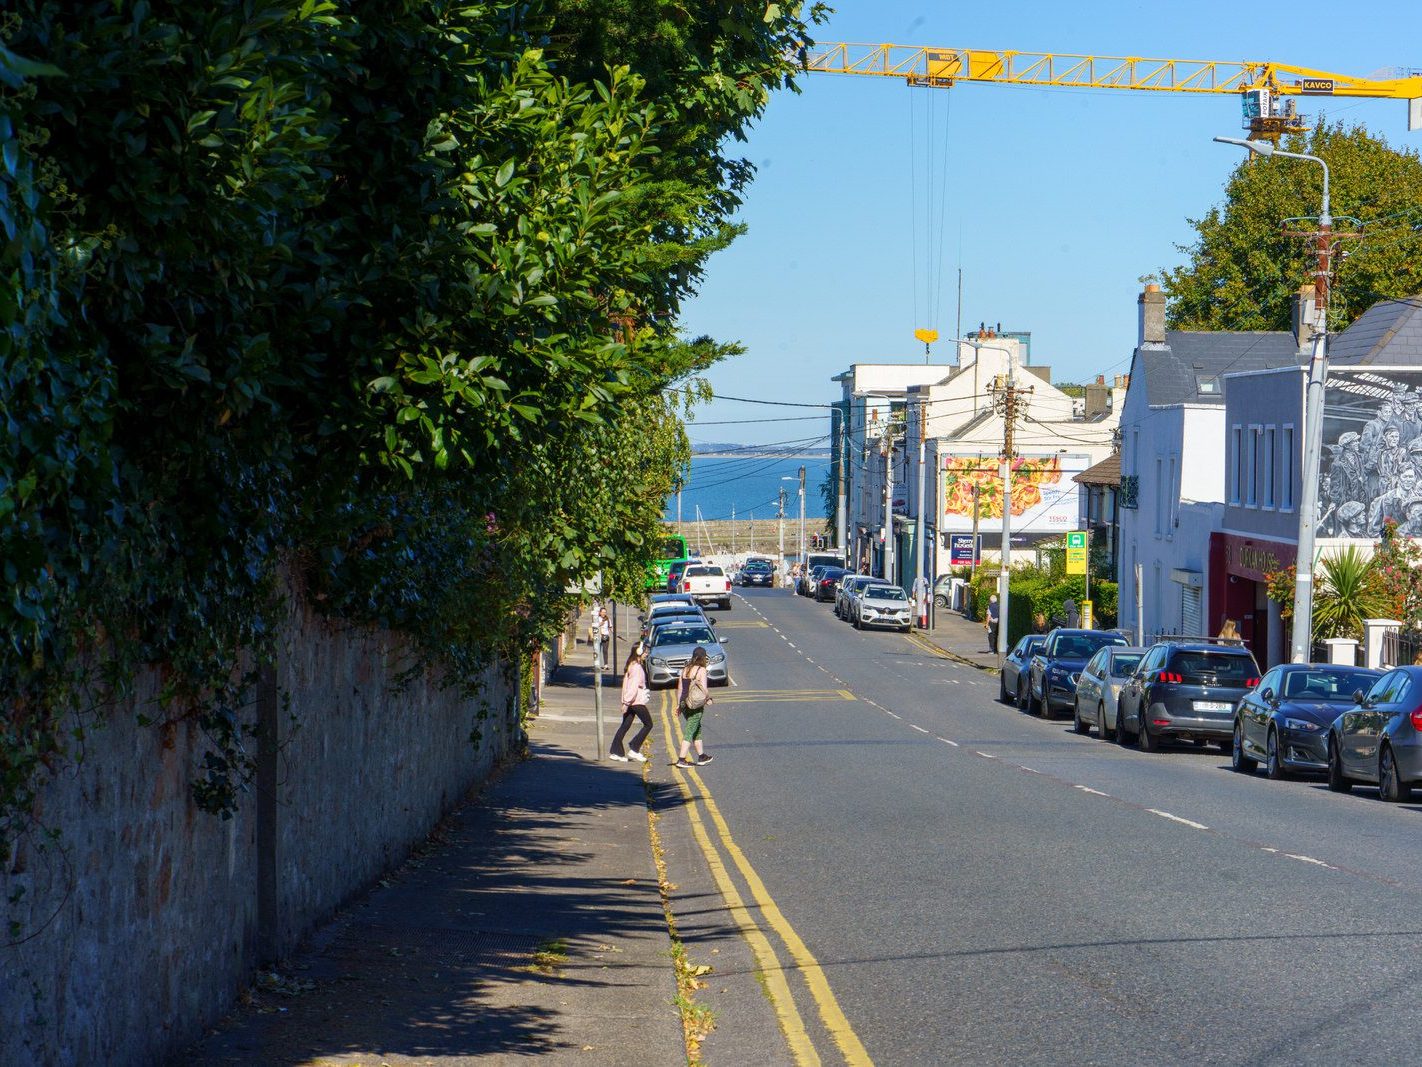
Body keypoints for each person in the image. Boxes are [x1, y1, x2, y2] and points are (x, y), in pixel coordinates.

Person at [610, 643, 653, 763]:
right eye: (645, 651)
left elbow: (626, 685)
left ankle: (616, 752)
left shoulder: (632, 665)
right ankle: (634, 748)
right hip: (635, 701)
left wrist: (625, 701)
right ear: (639, 652)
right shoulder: (636, 668)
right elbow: (633, 687)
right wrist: (627, 702)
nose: (647, 653)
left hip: (630, 701)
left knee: (625, 725)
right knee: (648, 724)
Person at [675, 647, 714, 767]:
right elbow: (704, 688)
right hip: (695, 704)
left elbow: (680, 688)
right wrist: (708, 699)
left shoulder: (685, 669)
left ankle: (702, 756)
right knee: (690, 729)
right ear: (703, 658)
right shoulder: (701, 670)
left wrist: (679, 705)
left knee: (697, 728)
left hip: (684, 702)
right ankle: (681, 759)